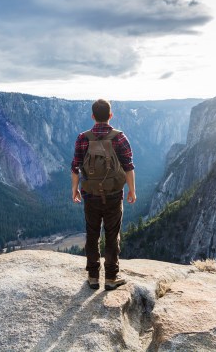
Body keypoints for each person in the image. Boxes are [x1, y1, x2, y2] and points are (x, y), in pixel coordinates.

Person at [71, 99, 136, 290]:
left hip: (90, 194)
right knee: (112, 234)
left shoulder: (83, 138)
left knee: (92, 233)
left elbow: (75, 166)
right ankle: (110, 277)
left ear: (92, 116)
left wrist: (74, 189)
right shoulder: (120, 138)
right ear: (110, 115)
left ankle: (92, 276)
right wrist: (132, 190)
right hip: (114, 194)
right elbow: (129, 166)